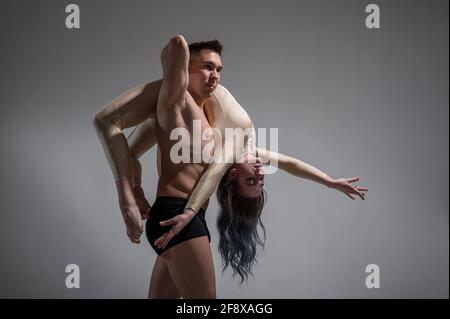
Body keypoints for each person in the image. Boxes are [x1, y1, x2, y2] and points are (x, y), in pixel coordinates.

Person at [94, 35, 368, 298]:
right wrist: (330, 181)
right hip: (177, 217)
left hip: (177, 219)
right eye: (208, 67)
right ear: (186, 71)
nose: (261, 173)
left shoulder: (221, 142)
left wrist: (142, 195)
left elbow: (226, 170)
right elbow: (288, 163)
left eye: (219, 69)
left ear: (233, 174)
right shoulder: (178, 104)